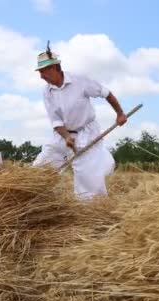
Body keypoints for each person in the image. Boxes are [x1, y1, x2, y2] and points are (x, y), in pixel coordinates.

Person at [32, 43, 128, 200]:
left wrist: (120, 114)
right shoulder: (47, 91)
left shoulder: (80, 81)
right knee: (41, 166)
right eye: (40, 72)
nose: (41, 76)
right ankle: (33, 201)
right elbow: (55, 120)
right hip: (61, 135)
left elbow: (107, 94)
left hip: (86, 133)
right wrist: (66, 137)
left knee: (87, 180)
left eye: (44, 71)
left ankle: (92, 209)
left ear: (55, 68)